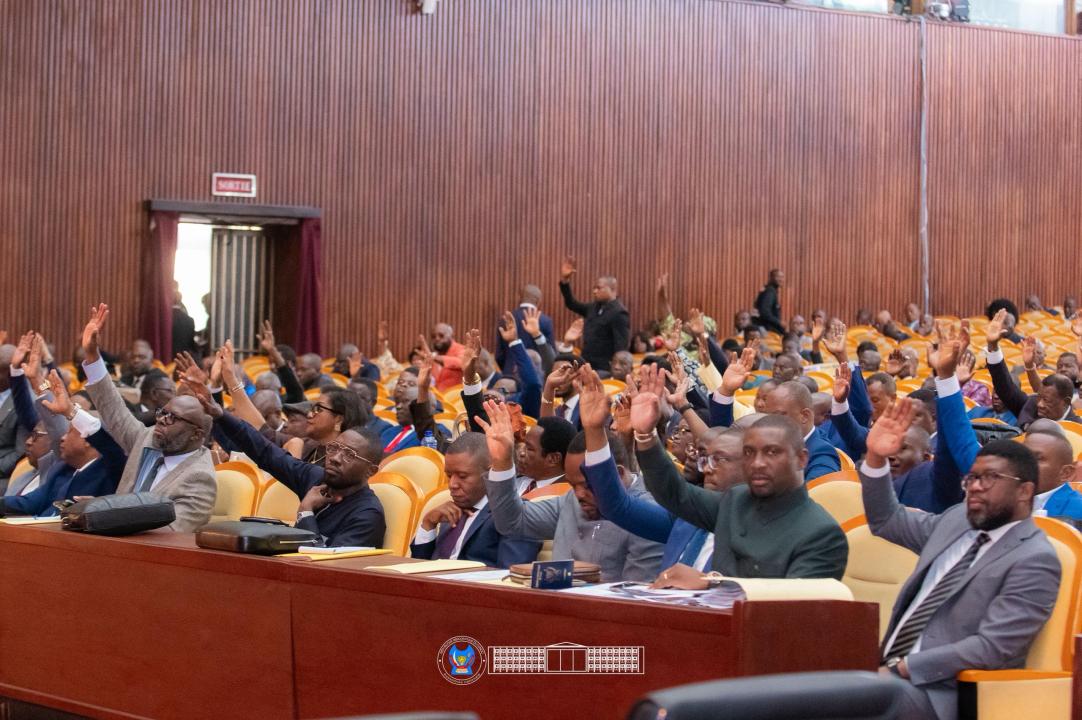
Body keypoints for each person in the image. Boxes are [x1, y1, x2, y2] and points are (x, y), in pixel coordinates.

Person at [860, 400, 1060, 720]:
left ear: (1024, 492)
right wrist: (875, 458)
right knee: (798, 686)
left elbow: (991, 647)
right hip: (885, 670)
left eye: (990, 478)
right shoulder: (956, 520)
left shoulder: (1035, 558)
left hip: (942, 694)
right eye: (972, 478)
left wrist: (902, 668)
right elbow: (887, 520)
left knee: (833, 702)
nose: (975, 488)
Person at [643, 394, 848, 584]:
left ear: (801, 459)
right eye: (749, 453)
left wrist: (710, 582)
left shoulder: (822, 533)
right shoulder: (736, 499)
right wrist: (645, 436)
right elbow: (675, 493)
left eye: (772, 452)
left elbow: (790, 604)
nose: (757, 463)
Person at [481, 389, 664, 583]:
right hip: (553, 599)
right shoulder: (572, 500)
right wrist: (502, 461)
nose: (578, 494)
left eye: (586, 485)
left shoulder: (649, 515)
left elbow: (635, 593)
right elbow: (512, 522)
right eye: (572, 485)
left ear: (617, 475)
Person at [190, 373, 386, 547]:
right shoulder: (316, 478)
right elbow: (265, 452)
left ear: (371, 471)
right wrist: (220, 414)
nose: (335, 458)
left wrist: (306, 511)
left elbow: (323, 564)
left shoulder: (367, 514)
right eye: (334, 448)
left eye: (349, 455)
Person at [79, 304, 217, 532]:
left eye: (173, 418)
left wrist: (106, 514)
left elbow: (168, 535)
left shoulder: (199, 479)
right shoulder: (148, 440)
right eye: (163, 413)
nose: (162, 420)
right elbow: (115, 412)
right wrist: (93, 356)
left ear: (197, 434)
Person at [0, 370, 125, 517]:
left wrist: (71, 412)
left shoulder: (109, 469)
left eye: (70, 432)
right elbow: (29, 503)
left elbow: (109, 447)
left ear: (88, 439)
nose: (63, 437)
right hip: (40, 527)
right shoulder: (62, 469)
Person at [710, 348, 840, 481]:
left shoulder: (821, 453)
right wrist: (726, 391)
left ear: (804, 416)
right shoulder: (767, 438)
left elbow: (815, 492)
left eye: (779, 416)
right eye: (768, 416)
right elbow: (725, 439)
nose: (771, 423)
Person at [410, 433, 538, 567]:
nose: (452, 484)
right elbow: (418, 567)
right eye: (449, 475)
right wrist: (428, 523)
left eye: (462, 476)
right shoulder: (451, 510)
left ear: (490, 473)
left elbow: (511, 572)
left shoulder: (515, 514)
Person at [985, 309, 1080, 427]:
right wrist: (993, 347)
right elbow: (1005, 387)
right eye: (1039, 397)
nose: (1039, 404)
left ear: (1065, 402)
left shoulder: (1077, 428)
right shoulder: (1030, 408)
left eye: (1046, 400)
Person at [558, 255, 630, 373]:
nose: (594, 291)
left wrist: (616, 369)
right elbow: (571, 304)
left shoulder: (619, 313)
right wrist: (565, 281)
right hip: (586, 363)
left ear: (612, 289)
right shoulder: (593, 307)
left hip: (604, 368)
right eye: (594, 288)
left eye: (599, 288)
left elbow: (621, 346)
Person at [495, 285, 556, 368]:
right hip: (538, 372)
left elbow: (499, 355)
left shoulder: (506, 320)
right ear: (539, 301)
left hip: (511, 371)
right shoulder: (546, 321)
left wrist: (508, 369)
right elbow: (552, 353)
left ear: (520, 298)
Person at [753, 269, 785, 335]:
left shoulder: (769, 290)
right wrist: (779, 322)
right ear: (771, 278)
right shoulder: (770, 292)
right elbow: (764, 312)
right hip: (767, 329)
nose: (781, 279)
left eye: (782, 277)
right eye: (778, 276)